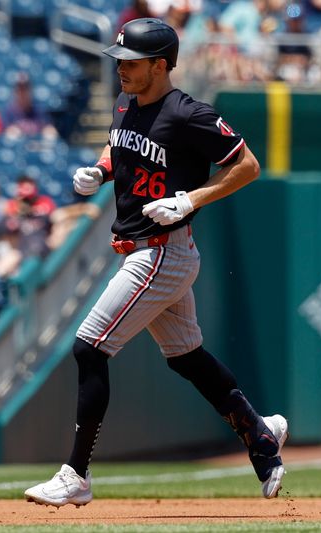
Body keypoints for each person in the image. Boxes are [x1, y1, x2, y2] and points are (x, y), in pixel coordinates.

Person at [24, 18, 288, 508]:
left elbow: (246, 164)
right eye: (119, 61)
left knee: (89, 348)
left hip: (161, 251)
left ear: (162, 64)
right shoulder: (126, 103)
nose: (121, 69)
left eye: (132, 62)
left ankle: (75, 475)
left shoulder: (188, 113)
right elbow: (117, 142)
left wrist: (191, 201)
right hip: (145, 249)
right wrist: (100, 171)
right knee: (186, 358)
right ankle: (259, 432)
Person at [3, 74, 57, 140]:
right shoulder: (9, 111)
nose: (22, 92)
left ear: (30, 90)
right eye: (20, 89)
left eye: (25, 88)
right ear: (15, 91)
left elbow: (49, 128)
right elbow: (5, 133)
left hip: (37, 145)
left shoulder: (39, 109)